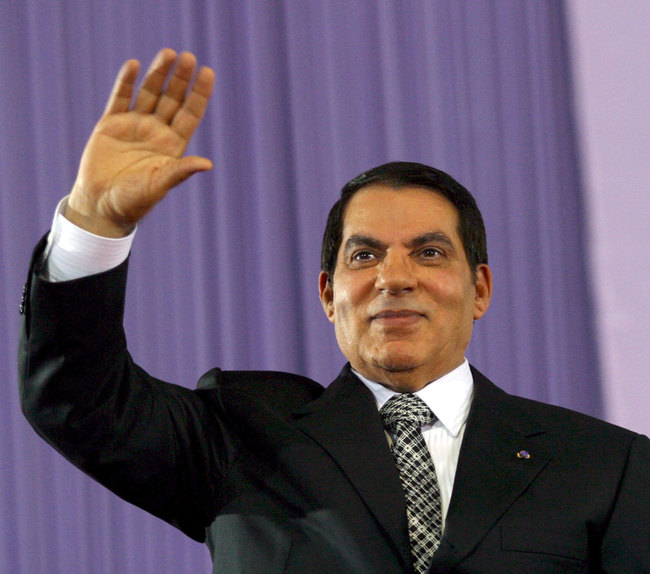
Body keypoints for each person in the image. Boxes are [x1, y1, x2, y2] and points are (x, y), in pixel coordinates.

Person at [19, 49, 649, 574]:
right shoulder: (240, 438)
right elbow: (80, 402)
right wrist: (95, 226)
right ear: (329, 294)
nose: (394, 277)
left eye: (429, 253)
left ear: (479, 288)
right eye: (365, 255)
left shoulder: (606, 466)